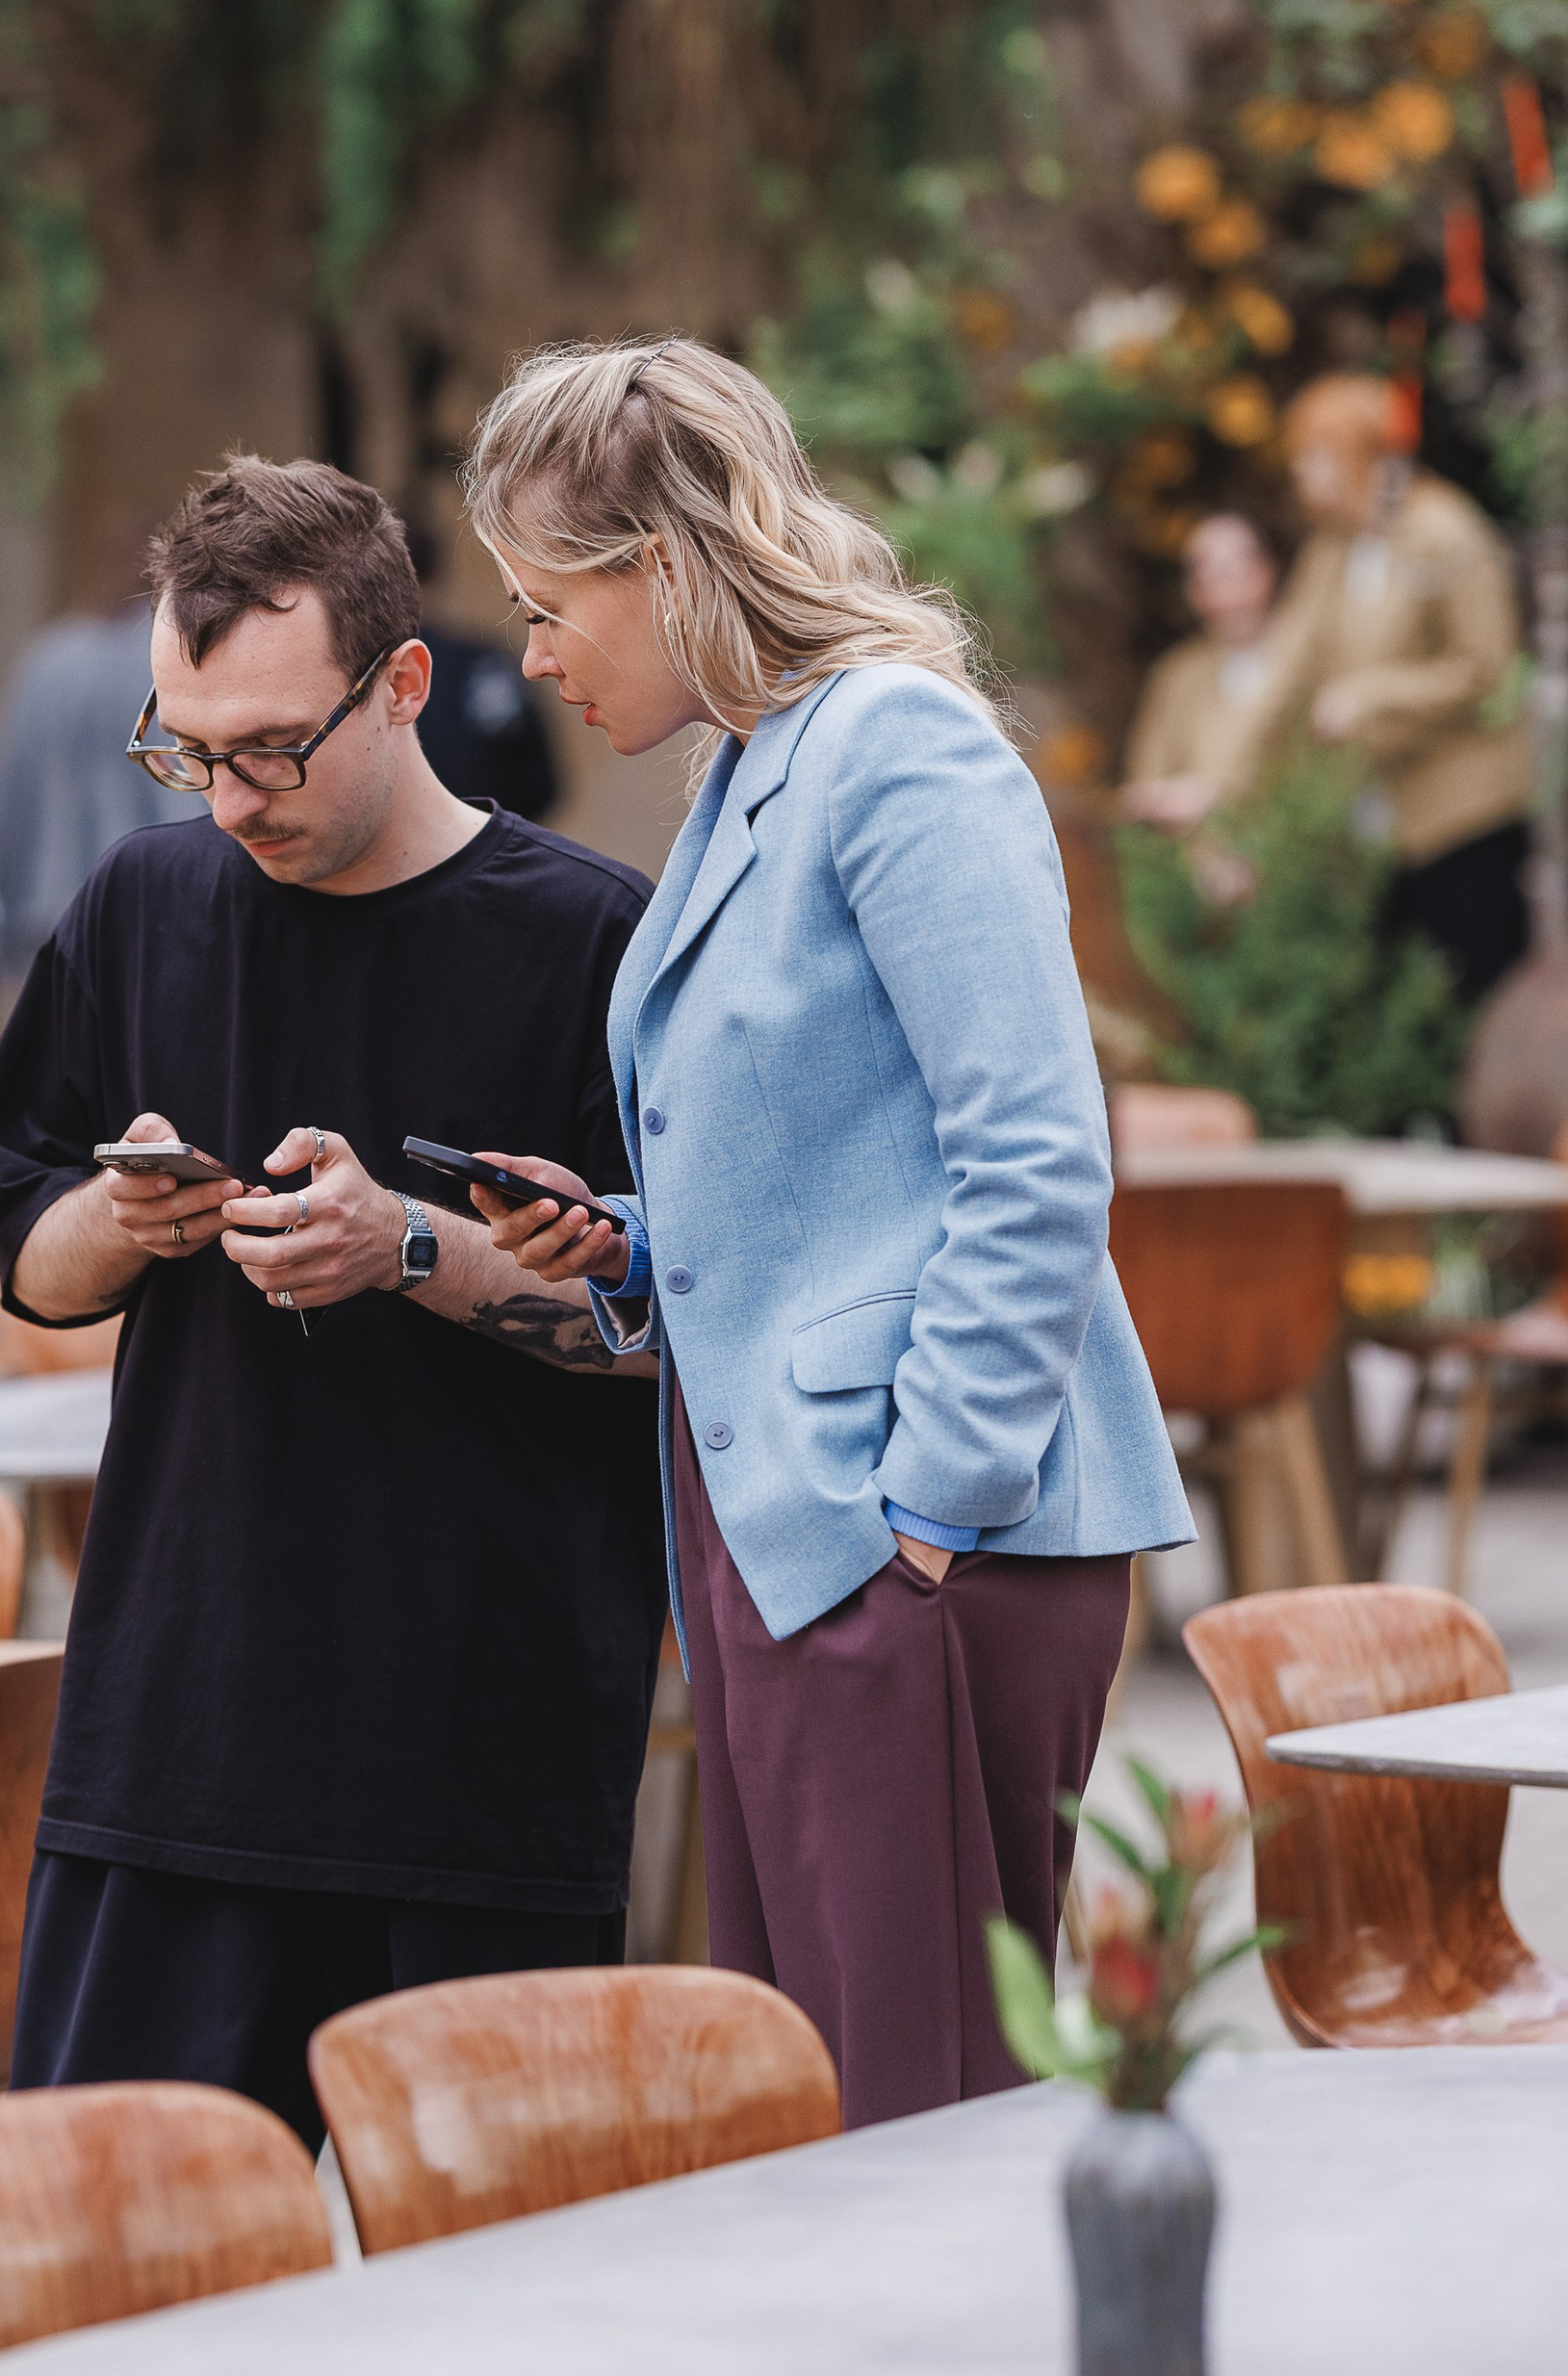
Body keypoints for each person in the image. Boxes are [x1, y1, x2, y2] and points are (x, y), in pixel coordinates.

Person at [459, 336, 1193, 2131]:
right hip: (786, 1533)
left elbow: (1036, 1151)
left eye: (548, 605)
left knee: (925, 2116)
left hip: (909, 1535)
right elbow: (834, 1172)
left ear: (663, 564)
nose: (532, 655)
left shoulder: (897, 747)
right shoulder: (751, 768)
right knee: (842, 2111)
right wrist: (628, 1243)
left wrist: (928, 1510)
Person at [0, 452, 666, 2150]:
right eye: (189, 748)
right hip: (173, 1741)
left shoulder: (597, 943)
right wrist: (127, 1220)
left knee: (496, 2291)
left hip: (481, 1765)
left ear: (405, 681)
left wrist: (410, 1248)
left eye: (275, 747)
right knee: (128, 2267)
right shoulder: (140, 902)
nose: (232, 798)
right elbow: (31, 1259)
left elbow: (664, 1331)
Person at [1272, 373, 1535, 1004]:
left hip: (1469, 814)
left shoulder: (1444, 530)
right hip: (1391, 822)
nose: (1300, 472)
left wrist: (1372, 694)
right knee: (1407, 1004)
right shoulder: (1334, 550)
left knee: (1482, 989)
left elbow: (1489, 669)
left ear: (1356, 452)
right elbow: (1284, 666)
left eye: (1313, 454)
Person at [0, 562, 205, 1002]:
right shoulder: (169, 653)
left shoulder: (46, 663)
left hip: (57, 920)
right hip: (151, 922)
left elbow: (3, 815)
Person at [1118, 508, 1296, 832]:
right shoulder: (1177, 674)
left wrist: (1217, 796)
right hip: (1194, 847)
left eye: (1228, 569)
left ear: (1265, 572)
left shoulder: (1302, 661)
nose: (1215, 583)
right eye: (1202, 571)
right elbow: (1144, 778)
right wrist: (1163, 799)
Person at [404, 516, 561, 819]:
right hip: (493, 834)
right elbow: (539, 781)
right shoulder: (480, 666)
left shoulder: (356, 676)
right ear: (435, 570)